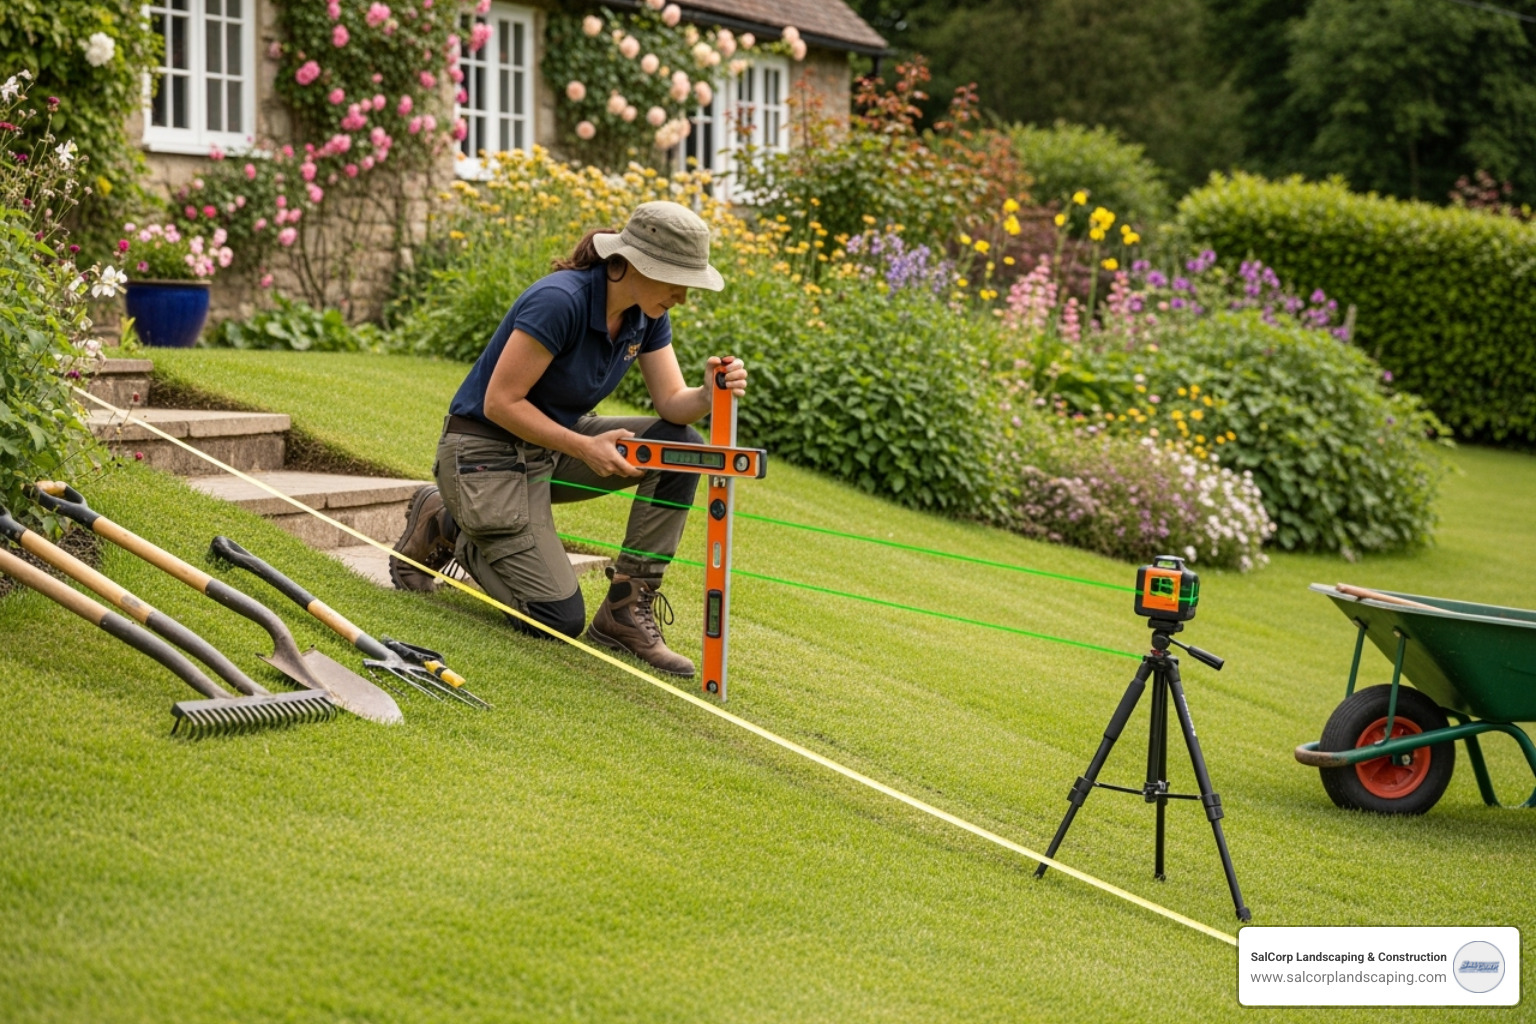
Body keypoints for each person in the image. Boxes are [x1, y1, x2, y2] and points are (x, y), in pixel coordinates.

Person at [389, 201, 746, 678]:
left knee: (682, 446)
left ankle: (624, 610)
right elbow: (501, 402)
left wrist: (706, 392)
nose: (683, 296)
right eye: (676, 280)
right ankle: (448, 523)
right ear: (636, 264)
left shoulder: (647, 315)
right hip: (482, 455)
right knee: (555, 619)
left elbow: (670, 406)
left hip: (548, 451)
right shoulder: (560, 301)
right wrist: (582, 447)